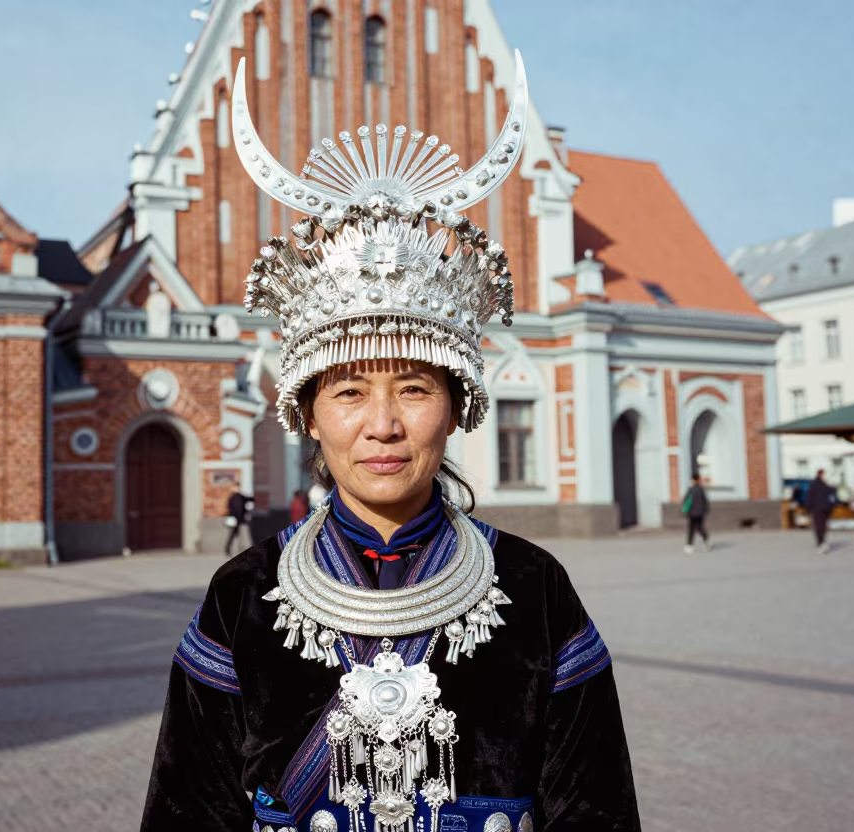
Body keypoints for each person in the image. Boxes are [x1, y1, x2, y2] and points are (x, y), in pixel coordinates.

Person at [141, 56, 641, 832]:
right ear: (307, 415)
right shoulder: (242, 597)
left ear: (458, 407)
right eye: (348, 392)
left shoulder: (536, 591)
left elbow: (596, 814)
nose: (383, 425)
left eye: (414, 388)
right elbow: (188, 815)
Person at [806, 469, 835, 554]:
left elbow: (830, 495)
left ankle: (821, 542)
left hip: (821, 509)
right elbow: (810, 496)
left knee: (821, 526)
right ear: (821, 475)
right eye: (824, 474)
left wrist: (808, 508)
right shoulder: (818, 484)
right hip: (820, 509)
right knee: (821, 526)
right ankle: (821, 543)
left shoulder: (822, 484)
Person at [680, 474, 710, 554]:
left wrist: (684, 511)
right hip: (700, 513)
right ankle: (706, 539)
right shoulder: (701, 489)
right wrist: (705, 511)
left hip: (692, 513)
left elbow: (685, 500)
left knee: (691, 529)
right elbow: (705, 501)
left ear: (693, 480)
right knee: (699, 528)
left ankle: (689, 546)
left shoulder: (691, 489)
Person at [224, 490, 254, 557]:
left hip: (237, 519)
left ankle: (229, 549)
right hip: (238, 520)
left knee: (234, 535)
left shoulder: (234, 498)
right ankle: (231, 549)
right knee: (239, 535)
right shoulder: (240, 498)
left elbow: (230, 508)